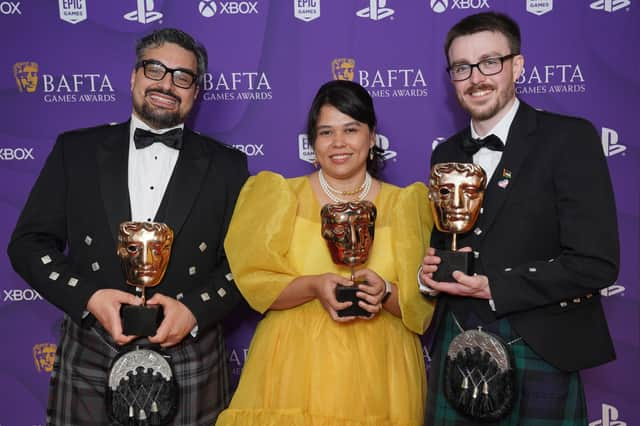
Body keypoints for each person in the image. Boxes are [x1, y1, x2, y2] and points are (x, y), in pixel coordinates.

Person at [8, 28, 249, 425]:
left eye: (182, 76)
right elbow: (28, 244)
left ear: (195, 91)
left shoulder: (229, 167)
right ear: (133, 76)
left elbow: (245, 263)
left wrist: (194, 311)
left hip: (192, 346)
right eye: (155, 69)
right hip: (92, 343)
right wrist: (88, 297)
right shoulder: (76, 151)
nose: (166, 84)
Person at [419, 12, 619, 425]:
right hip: (459, 344)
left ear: (518, 65)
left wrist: (496, 286)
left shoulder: (569, 138)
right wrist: (430, 274)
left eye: (490, 62)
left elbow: (596, 263)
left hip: (541, 346)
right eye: (462, 67)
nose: (476, 77)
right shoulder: (445, 154)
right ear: (451, 77)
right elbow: (450, 246)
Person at [217, 79, 434, 425]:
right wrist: (314, 285)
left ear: (372, 136)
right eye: (326, 132)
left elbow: (419, 310)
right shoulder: (278, 197)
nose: (338, 143)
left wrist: (386, 291)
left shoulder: (406, 205)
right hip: (293, 370)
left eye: (351, 129)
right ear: (313, 142)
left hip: (380, 373)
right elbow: (258, 288)